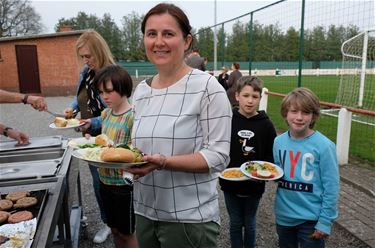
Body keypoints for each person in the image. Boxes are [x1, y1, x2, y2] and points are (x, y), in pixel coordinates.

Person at [127, 3, 232, 248]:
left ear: (186, 41)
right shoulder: (142, 91)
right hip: (144, 212)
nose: (158, 41)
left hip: (188, 219)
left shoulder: (208, 88)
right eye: (151, 34)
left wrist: (163, 162)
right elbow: (137, 148)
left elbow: (218, 156)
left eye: (168, 34)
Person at [63, 29, 115, 243]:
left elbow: (116, 115)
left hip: (107, 138)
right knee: (98, 182)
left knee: (107, 182)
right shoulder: (87, 72)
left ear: (99, 51)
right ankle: (110, 221)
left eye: (88, 56)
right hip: (88, 137)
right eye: (82, 56)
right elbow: (81, 96)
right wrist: (72, 109)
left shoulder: (111, 75)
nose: (85, 60)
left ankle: (113, 223)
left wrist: (91, 122)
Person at [273, 87, 340, 248]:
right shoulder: (278, 142)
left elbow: (332, 187)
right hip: (284, 216)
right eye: (294, 111)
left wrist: (325, 221)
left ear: (314, 116)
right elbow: (277, 173)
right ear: (285, 113)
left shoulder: (324, 146)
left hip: (311, 219)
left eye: (306, 112)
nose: (299, 117)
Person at [219, 76, 277, 248]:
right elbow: (219, 149)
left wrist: (262, 174)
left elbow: (270, 156)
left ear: (260, 98)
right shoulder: (227, 120)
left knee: (250, 222)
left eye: (254, 96)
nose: (250, 101)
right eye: (246, 95)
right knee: (235, 222)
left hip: (254, 185)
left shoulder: (266, 125)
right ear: (237, 96)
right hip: (230, 182)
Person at [85, 64, 137, 248]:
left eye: (109, 91)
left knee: (127, 232)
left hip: (123, 184)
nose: (104, 96)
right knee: (114, 229)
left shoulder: (133, 116)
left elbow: (136, 151)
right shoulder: (106, 113)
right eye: (101, 92)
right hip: (104, 180)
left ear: (124, 89)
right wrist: (92, 140)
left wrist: (117, 149)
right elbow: (104, 141)